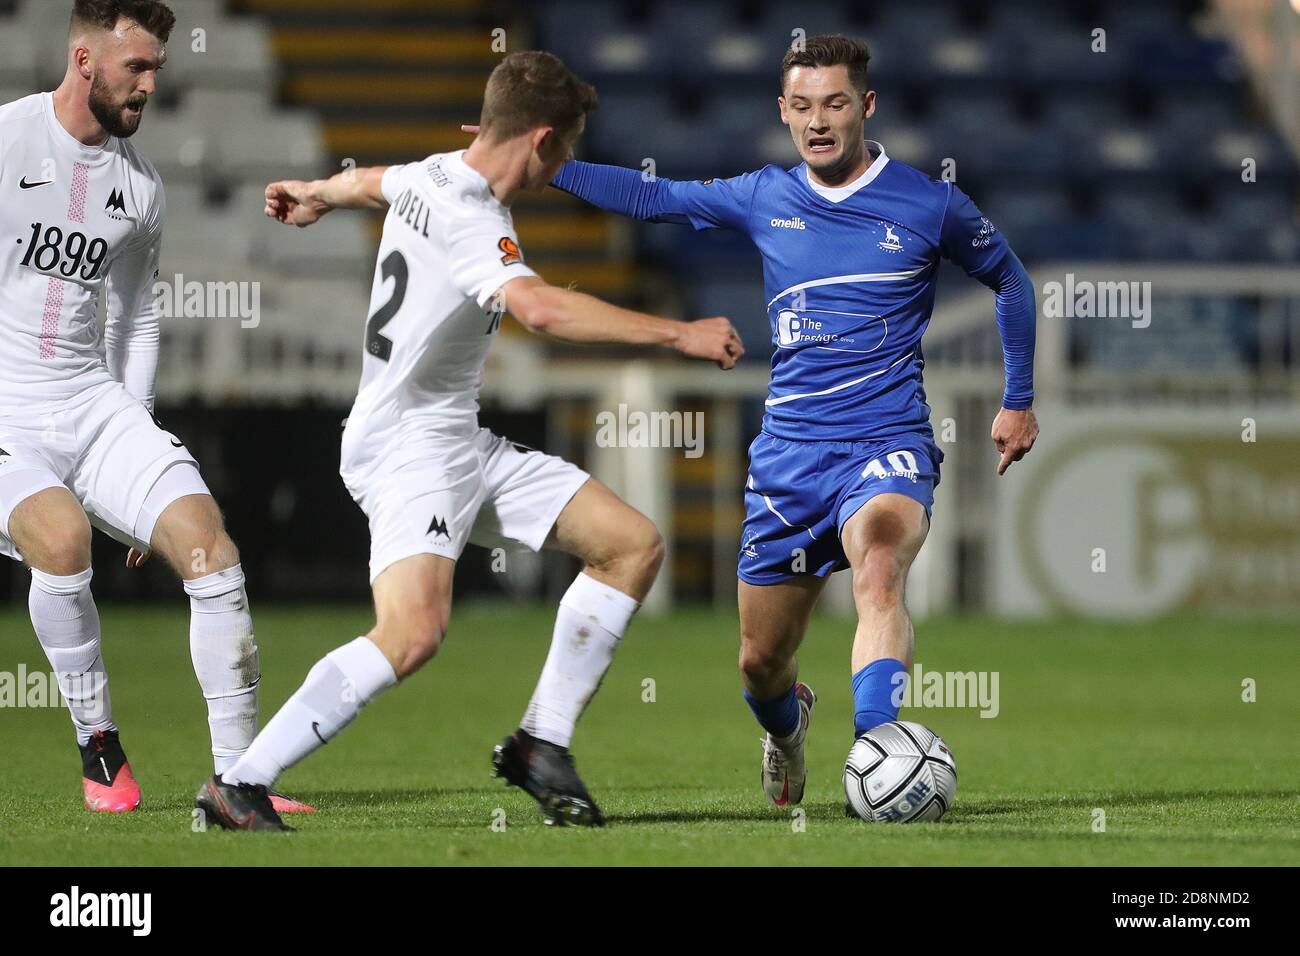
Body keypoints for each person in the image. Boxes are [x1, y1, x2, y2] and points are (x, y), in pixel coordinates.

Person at [194, 50, 744, 831]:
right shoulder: (474, 217)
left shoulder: (434, 171)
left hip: (454, 437)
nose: (566, 167)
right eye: (568, 149)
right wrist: (677, 333)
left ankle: (540, 744)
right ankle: (239, 784)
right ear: (543, 139)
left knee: (630, 544)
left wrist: (319, 192)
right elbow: (544, 311)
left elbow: (371, 180)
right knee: (411, 634)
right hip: (410, 449)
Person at [546, 34, 1038, 806]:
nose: (818, 121)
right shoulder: (764, 196)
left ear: (866, 106)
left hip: (886, 442)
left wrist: (1018, 397)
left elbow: (1009, 280)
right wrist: (544, 166)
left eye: (835, 103)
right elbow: (656, 197)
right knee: (758, 663)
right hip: (787, 462)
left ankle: (878, 751)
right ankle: (787, 729)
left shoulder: (928, 202)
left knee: (879, 568)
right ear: (783, 111)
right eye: (802, 106)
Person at [0, 0, 310, 815]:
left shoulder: (140, 186)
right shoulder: (6, 141)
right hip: (5, 414)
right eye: (135, 67)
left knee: (214, 551)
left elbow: (134, 318)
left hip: (94, 405)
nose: (148, 86)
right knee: (63, 542)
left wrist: (133, 435)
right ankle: (98, 745)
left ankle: (239, 781)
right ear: (84, 60)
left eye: (157, 71)